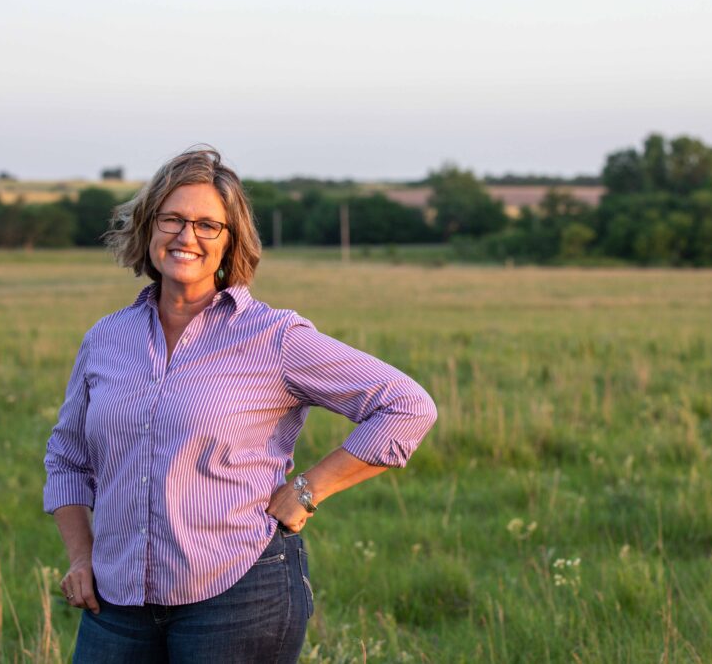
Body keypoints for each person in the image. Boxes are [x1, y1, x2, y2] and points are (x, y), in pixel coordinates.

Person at [43, 146, 437, 663]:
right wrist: (81, 554)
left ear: (231, 243)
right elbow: (67, 457)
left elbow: (407, 405)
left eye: (208, 225)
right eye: (172, 219)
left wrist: (309, 488)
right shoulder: (105, 338)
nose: (187, 237)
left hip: (239, 593)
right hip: (117, 602)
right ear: (148, 228)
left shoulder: (273, 337)